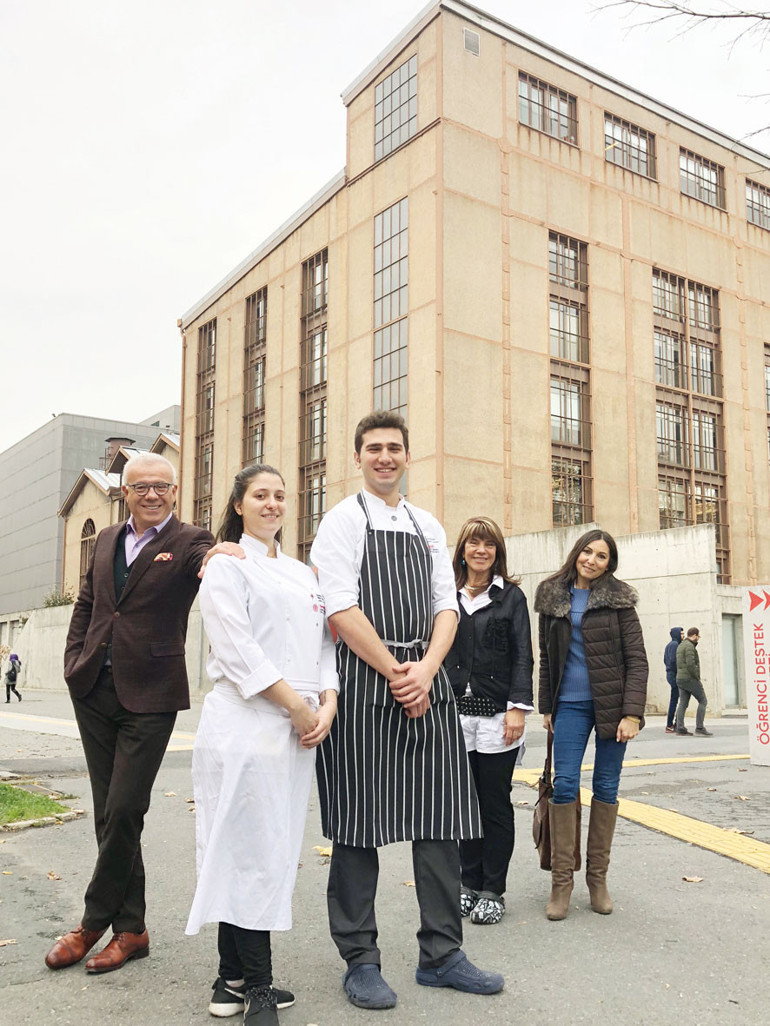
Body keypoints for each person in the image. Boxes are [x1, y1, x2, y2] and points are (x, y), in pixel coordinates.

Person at [311, 411, 504, 1010]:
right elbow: (339, 607)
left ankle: (442, 954)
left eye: (395, 448)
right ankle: (360, 960)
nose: (385, 457)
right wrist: (396, 671)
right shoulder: (341, 521)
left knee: (441, 823)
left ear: (407, 456)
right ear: (358, 457)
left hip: (428, 682)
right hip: (365, 690)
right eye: (374, 449)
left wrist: (425, 671)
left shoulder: (427, 525)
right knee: (357, 826)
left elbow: (447, 608)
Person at [45, 454, 215, 974]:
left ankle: (92, 922)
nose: (151, 494)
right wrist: (74, 660)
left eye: (161, 486)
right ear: (125, 492)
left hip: (152, 694)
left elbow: (209, 561)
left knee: (123, 809)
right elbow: (89, 604)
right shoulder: (106, 540)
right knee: (108, 813)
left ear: (175, 491)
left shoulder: (190, 541)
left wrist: (222, 555)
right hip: (94, 687)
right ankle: (133, 930)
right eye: (141, 486)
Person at [186, 464, 339, 1026]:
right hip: (247, 723)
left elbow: (326, 645)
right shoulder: (227, 565)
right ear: (239, 504)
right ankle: (259, 987)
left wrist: (327, 701)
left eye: (280, 495)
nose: (273, 503)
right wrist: (298, 708)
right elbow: (236, 648)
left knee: (263, 851)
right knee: (247, 850)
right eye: (260, 495)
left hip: (298, 729)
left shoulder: (304, 574)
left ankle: (229, 980)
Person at [534, 528, 648, 921]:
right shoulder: (551, 596)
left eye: (602, 556)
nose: (592, 560)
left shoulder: (619, 601)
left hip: (613, 709)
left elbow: (638, 660)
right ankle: (561, 882)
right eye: (588, 552)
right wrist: (546, 706)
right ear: (576, 553)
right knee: (565, 784)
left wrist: (632, 714)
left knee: (606, 785)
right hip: (568, 705)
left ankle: (597, 880)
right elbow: (547, 658)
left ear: (609, 563)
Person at [444, 516, 533, 926]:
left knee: (494, 804)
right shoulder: (446, 595)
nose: (481, 551)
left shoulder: (511, 597)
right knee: (464, 804)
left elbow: (522, 656)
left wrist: (518, 707)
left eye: (489, 545)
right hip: (455, 717)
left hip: (498, 716)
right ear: (462, 550)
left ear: (497, 552)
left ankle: (492, 889)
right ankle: (467, 883)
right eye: (474, 544)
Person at [675, 627, 712, 736]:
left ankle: (680, 728)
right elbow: (691, 664)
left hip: (680, 678)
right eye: (698, 636)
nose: (698, 639)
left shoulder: (681, 645)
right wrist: (696, 677)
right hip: (689, 678)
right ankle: (699, 727)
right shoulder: (690, 647)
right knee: (703, 701)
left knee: (682, 703)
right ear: (694, 635)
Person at [664, 627, 683, 733]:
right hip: (674, 675)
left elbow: (665, 660)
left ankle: (673, 723)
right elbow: (673, 660)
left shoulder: (669, 645)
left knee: (676, 700)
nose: (683, 636)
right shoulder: (675, 645)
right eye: (681, 634)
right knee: (675, 701)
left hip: (670, 674)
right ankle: (670, 725)